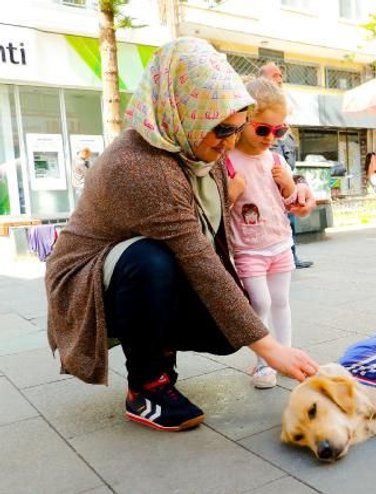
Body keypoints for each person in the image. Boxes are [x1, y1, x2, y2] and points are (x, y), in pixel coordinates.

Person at [44, 38, 318, 433]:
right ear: (184, 111)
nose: (228, 143)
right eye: (221, 129)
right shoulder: (140, 166)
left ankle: (159, 350)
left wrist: (297, 187)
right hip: (87, 281)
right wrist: (270, 348)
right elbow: (196, 257)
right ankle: (147, 385)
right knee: (151, 258)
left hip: (161, 265)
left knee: (224, 327)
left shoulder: (199, 150)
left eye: (237, 130)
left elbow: (233, 208)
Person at [225, 77, 299, 389]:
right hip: (247, 247)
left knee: (281, 299)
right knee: (260, 302)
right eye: (263, 129)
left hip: (279, 242)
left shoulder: (276, 159)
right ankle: (263, 361)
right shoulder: (227, 159)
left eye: (279, 131)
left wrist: (290, 184)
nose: (271, 137)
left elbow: (290, 199)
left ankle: (286, 353)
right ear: (243, 122)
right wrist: (232, 191)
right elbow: (218, 206)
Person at [258, 61, 313, 269]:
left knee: (290, 206)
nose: (279, 79)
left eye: (280, 75)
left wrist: (299, 182)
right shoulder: (258, 102)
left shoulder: (281, 101)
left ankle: (290, 254)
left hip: (284, 162)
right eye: (275, 75)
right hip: (271, 165)